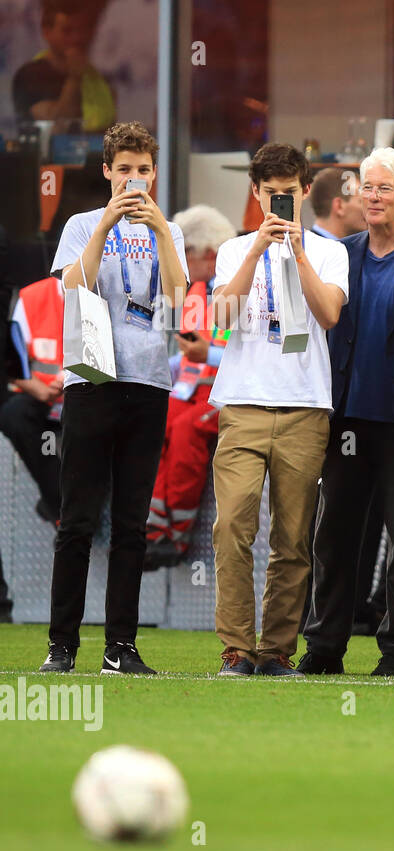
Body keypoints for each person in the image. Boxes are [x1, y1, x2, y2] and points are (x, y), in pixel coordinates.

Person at [38, 121, 189, 675]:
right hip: (91, 379)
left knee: (131, 524)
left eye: (143, 170)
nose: (134, 181)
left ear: (155, 173)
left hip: (148, 382)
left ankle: (120, 647)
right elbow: (72, 289)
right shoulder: (81, 223)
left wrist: (162, 235)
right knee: (77, 520)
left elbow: (177, 299)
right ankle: (62, 646)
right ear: (106, 171)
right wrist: (105, 224)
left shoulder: (165, 229)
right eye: (123, 170)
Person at [300, 148, 394, 677]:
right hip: (347, 422)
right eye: (366, 187)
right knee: (334, 537)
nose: (373, 197)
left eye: (384, 188)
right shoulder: (341, 253)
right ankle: (324, 648)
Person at [208, 143, 348, 679]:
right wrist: (256, 251)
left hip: (305, 406)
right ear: (255, 193)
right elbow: (221, 316)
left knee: (293, 537)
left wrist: (299, 253)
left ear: (306, 192)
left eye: (288, 194)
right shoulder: (232, 249)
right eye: (271, 195)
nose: (279, 204)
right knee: (232, 527)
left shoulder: (331, 252)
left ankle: (276, 652)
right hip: (242, 403)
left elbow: (330, 314)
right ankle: (237, 649)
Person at [144, 204, 238, 569]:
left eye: (184, 253)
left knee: (185, 431)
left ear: (209, 253)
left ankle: (176, 534)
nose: (178, 262)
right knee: (153, 421)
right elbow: (184, 356)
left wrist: (206, 357)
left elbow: (252, 356)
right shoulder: (195, 291)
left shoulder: (241, 289)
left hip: (229, 395)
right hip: (190, 391)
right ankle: (153, 530)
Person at [3, 274, 65, 522]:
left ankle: (65, 508)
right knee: (14, 415)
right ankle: (59, 502)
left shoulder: (110, 296)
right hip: (44, 398)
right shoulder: (32, 297)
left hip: (87, 398)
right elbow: (11, 363)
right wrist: (37, 388)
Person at [12, 0, 115, 132]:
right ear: (47, 31)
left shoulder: (97, 80)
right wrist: (75, 78)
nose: (77, 38)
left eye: (85, 29)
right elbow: (58, 127)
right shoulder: (31, 75)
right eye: (67, 31)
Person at [307, 167, 367, 240]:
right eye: (361, 201)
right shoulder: (310, 249)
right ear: (339, 206)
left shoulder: (303, 245)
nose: (368, 207)